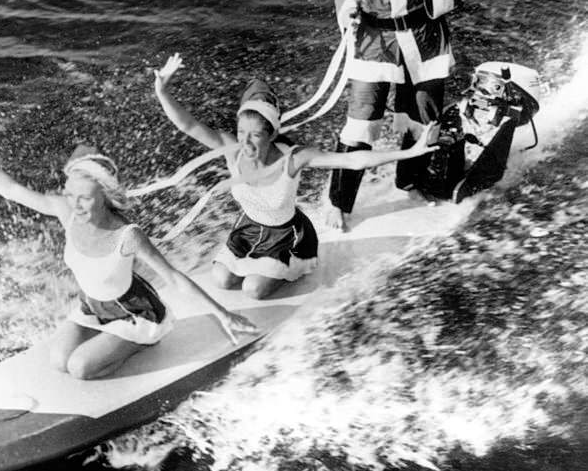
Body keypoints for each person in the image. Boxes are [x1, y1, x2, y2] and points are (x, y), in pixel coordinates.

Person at [0, 120, 257, 380]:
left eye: (84, 197)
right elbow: (11, 189)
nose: (76, 204)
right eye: (71, 195)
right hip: (93, 307)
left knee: (80, 369)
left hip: (133, 312)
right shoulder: (65, 211)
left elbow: (174, 278)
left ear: (106, 195)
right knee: (59, 362)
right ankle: (107, 344)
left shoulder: (127, 235)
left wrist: (223, 314)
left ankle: (142, 343)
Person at [152, 54, 438, 300]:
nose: (246, 143)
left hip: (286, 237)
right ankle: (257, 265)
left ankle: (297, 266)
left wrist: (410, 152)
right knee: (222, 280)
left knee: (253, 289)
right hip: (248, 230)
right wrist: (163, 92)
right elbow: (188, 125)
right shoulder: (232, 150)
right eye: (241, 134)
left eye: (255, 135)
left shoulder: (293, 158)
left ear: (272, 133)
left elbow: (352, 159)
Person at [320, 0, 469, 230]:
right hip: (374, 40)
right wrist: (347, 6)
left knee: (421, 116)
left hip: (423, 38)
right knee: (360, 122)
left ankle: (411, 182)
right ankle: (339, 202)